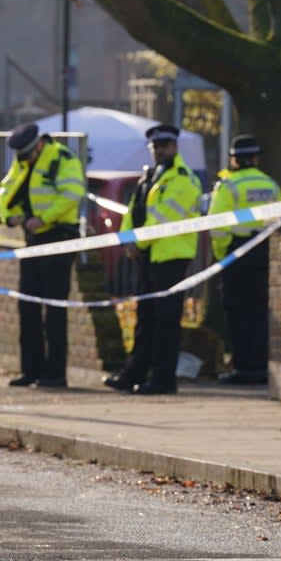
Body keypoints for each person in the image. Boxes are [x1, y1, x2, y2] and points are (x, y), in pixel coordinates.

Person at [104, 124, 202, 395]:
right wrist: (127, 241)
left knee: (166, 320)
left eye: (165, 146)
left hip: (171, 256)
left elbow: (162, 219)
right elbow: (132, 213)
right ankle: (134, 372)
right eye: (156, 147)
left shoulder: (182, 178)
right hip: (148, 256)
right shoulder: (149, 178)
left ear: (174, 147)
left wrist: (138, 242)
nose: (159, 151)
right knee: (145, 318)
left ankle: (163, 378)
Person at [0, 122, 86, 388]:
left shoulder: (62, 158)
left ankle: (56, 374)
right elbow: (6, 190)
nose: (21, 160)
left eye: (25, 155)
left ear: (38, 146)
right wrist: (8, 217)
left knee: (55, 308)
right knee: (28, 305)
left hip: (59, 237)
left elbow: (72, 194)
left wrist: (42, 218)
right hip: (33, 238)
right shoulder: (24, 161)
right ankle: (31, 370)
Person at [208, 134, 281, 385]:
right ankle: (261, 365)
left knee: (238, 312)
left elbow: (217, 227)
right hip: (263, 254)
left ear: (235, 158)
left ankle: (243, 367)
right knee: (260, 311)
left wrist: (222, 256)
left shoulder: (228, 186)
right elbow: (279, 222)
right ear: (256, 158)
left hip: (236, 254)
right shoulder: (271, 185)